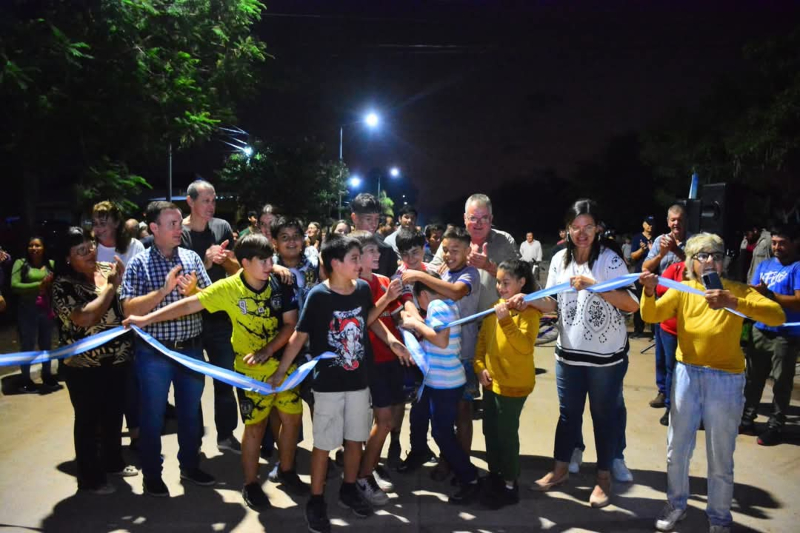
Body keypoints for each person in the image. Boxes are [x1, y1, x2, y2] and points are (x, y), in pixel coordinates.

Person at [124, 233, 306, 509]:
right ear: (245, 262)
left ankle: (287, 471)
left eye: (272, 259)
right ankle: (251, 484)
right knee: (255, 426)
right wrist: (145, 319)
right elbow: (189, 304)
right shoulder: (228, 288)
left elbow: (290, 324)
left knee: (292, 420)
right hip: (251, 371)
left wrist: (269, 350)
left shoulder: (280, 283)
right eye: (263, 260)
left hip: (286, 365)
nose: (270, 265)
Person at [639, 233, 785, 533]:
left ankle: (719, 518)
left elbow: (777, 316)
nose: (709, 261)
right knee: (677, 449)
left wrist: (733, 302)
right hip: (687, 375)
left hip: (726, 380)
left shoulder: (737, 290)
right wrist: (650, 292)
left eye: (716, 256)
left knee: (721, 455)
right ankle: (676, 504)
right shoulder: (683, 290)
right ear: (690, 263)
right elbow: (650, 314)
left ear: (723, 262)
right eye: (702, 256)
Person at [268, 234, 412, 533]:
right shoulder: (319, 296)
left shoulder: (361, 289)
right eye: (354, 258)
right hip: (328, 385)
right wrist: (281, 371)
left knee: (355, 439)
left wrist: (392, 341)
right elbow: (299, 335)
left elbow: (368, 319)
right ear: (335, 263)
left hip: (359, 381)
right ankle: (316, 500)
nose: (360, 264)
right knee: (323, 444)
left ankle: (349, 488)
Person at [530, 199, 638, 509]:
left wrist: (595, 286)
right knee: (568, 416)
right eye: (575, 227)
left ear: (597, 229)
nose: (581, 233)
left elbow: (632, 305)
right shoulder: (559, 260)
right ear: (566, 230)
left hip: (605, 359)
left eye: (588, 227)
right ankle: (560, 469)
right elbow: (552, 304)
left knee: (603, 417)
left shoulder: (610, 261)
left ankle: (603, 478)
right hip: (568, 355)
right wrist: (529, 300)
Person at [120, 201, 214, 497]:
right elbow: (128, 309)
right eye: (172, 224)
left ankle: (190, 465)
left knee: (190, 413)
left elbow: (211, 300)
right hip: (154, 354)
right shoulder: (139, 263)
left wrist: (194, 292)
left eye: (179, 223)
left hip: (191, 350)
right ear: (154, 228)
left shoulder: (191, 258)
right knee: (152, 416)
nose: (178, 229)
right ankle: (152, 474)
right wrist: (163, 291)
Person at [52, 227, 138, 494]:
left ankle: (113, 461)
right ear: (68, 259)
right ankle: (90, 477)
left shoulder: (107, 269)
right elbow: (86, 317)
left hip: (119, 360)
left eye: (90, 246)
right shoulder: (63, 285)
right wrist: (111, 287)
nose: (90, 253)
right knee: (89, 420)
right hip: (84, 367)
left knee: (113, 414)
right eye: (81, 251)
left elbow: (127, 304)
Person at [400, 227, 480, 479]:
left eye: (455, 250)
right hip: (441, 359)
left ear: (468, 251)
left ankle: (461, 466)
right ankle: (449, 462)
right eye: (445, 249)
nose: (448, 254)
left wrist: (419, 275)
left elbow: (454, 292)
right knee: (438, 419)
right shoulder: (443, 272)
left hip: (462, 353)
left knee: (461, 414)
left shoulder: (469, 273)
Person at [181, 180, 242, 454]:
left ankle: (226, 435)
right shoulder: (179, 233)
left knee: (225, 379)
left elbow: (237, 270)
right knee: (192, 385)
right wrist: (205, 262)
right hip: (190, 319)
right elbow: (180, 280)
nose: (211, 206)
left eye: (213, 200)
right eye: (205, 200)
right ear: (190, 201)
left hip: (220, 318)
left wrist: (225, 260)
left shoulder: (222, 227)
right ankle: (193, 442)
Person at [474, 259, 540, 509]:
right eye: (498, 282)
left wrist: (506, 321)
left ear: (521, 283)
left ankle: (510, 483)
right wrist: (479, 368)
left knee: (506, 434)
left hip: (514, 386)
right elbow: (482, 343)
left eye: (506, 282)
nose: (500, 287)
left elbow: (524, 346)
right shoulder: (495, 308)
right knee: (490, 430)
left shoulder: (529, 312)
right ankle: (495, 474)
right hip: (491, 383)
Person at [349, 230, 404, 506]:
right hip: (368, 363)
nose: (378, 254)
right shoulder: (354, 286)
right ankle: (363, 475)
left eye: (377, 250)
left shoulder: (383, 281)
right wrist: (387, 299)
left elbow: (396, 316)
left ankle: (368, 469)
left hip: (390, 360)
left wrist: (410, 334)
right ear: (356, 257)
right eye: (371, 250)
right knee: (380, 422)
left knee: (386, 421)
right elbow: (365, 320)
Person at [741, 223, 800, 446]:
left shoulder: (797, 268)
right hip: (760, 329)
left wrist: (772, 296)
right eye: (774, 243)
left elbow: (798, 301)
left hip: (785, 333)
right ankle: (747, 419)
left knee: (781, 382)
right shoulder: (764, 265)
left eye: (782, 243)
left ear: (794, 243)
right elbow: (754, 292)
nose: (776, 247)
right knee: (753, 378)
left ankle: (776, 426)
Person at [430, 194, 519, 313]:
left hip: (496, 317)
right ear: (464, 218)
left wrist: (489, 267)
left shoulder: (504, 240)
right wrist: (450, 262)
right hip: (457, 319)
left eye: (484, 218)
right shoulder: (450, 241)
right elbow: (432, 273)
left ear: (491, 219)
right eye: (473, 218)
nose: (478, 223)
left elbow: (520, 277)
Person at [643, 205, 690, 410]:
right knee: (661, 354)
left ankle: (675, 399)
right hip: (661, 303)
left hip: (683, 306)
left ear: (685, 220)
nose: (676, 223)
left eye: (679, 219)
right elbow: (646, 267)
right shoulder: (659, 241)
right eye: (672, 220)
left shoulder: (694, 242)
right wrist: (661, 254)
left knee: (675, 357)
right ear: (668, 221)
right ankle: (663, 390)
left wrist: (676, 250)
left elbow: (697, 267)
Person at [12, 235, 60, 393]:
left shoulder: (51, 264)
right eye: (31, 245)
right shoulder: (21, 263)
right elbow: (14, 285)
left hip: (46, 310)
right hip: (27, 311)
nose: (34, 248)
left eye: (38, 245)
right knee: (28, 345)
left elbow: (58, 283)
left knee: (46, 344)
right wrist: (39, 285)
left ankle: (47, 375)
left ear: (44, 248)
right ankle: (25, 379)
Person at [350, 193, 397, 277]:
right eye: (368, 219)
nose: (374, 224)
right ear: (355, 218)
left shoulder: (386, 250)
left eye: (377, 219)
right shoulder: (341, 248)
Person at [629, 216, 655, 338]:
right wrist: (642, 249)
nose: (650, 226)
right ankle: (638, 330)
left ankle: (654, 331)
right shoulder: (637, 238)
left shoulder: (657, 239)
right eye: (648, 223)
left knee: (654, 302)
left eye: (652, 224)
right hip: (640, 274)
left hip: (653, 275)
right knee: (638, 302)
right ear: (643, 224)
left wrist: (653, 250)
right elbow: (633, 256)